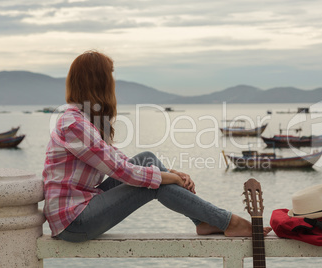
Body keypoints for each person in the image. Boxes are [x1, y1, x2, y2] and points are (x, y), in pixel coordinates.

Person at [42, 50, 272, 242]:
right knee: (154, 182)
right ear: (100, 83)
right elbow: (122, 172)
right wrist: (168, 178)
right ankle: (225, 221)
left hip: (83, 205)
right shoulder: (74, 124)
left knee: (147, 159)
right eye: (110, 78)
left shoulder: (82, 120)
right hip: (74, 221)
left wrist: (169, 172)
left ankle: (204, 221)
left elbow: (119, 160)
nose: (113, 84)